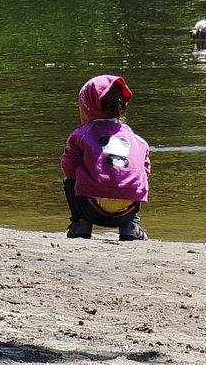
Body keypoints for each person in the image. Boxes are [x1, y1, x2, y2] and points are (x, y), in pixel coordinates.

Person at [61, 74, 150, 241]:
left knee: (69, 180)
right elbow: (145, 171)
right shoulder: (137, 140)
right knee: (136, 179)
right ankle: (130, 226)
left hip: (91, 209)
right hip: (127, 209)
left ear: (87, 107)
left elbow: (68, 168)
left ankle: (81, 224)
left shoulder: (80, 135)